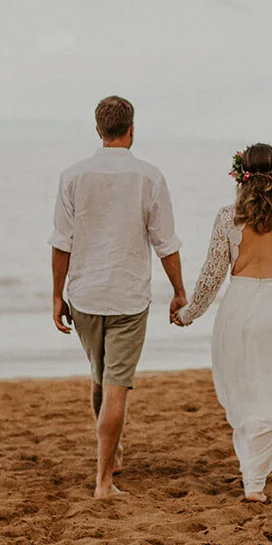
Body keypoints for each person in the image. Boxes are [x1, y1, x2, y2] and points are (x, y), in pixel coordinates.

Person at [49, 95, 185, 499]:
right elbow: (166, 242)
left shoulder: (73, 175)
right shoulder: (149, 177)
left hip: (86, 295)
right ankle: (104, 482)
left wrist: (56, 295)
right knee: (115, 387)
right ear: (132, 130)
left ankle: (113, 452)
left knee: (100, 377)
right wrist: (179, 291)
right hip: (127, 297)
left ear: (97, 130)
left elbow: (61, 243)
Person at [175, 143, 272, 503]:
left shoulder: (228, 217)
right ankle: (254, 477)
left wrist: (188, 312)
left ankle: (252, 478)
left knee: (245, 391)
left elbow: (211, 276)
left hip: (239, 310)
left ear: (241, 175)